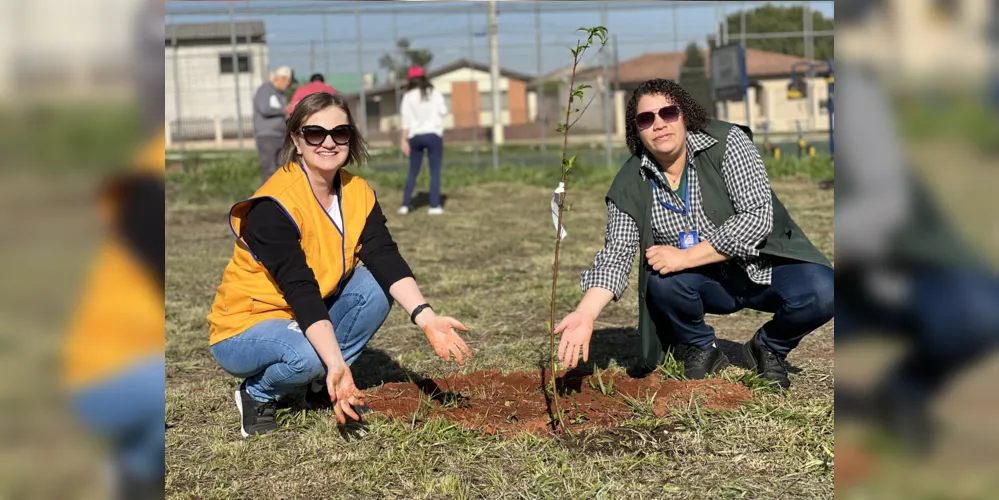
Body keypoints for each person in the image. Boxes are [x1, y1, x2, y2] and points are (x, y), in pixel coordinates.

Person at [207, 92, 473, 438]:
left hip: (300, 314)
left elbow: (385, 256)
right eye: (315, 133)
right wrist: (335, 361)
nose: (329, 142)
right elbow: (300, 288)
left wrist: (426, 316)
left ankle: (321, 382)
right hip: (244, 328)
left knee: (377, 285)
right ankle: (258, 394)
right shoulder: (273, 206)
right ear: (296, 141)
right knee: (313, 355)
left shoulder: (357, 192)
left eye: (340, 133)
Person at [553, 79, 834, 389]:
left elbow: (757, 218)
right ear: (636, 130)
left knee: (825, 291)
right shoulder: (629, 184)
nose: (659, 124)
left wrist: (686, 256)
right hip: (706, 281)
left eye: (668, 113)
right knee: (660, 280)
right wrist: (585, 313)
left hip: (763, 267)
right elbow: (616, 255)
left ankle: (769, 347)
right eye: (646, 119)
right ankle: (701, 347)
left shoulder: (728, 142)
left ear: (684, 114)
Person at [62, 2, 165, 498]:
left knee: (143, 461)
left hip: (123, 363)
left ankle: (133, 469)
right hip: (110, 372)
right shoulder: (151, 178)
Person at [398, 66, 448, 215]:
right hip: (433, 135)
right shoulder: (435, 94)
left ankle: (405, 205)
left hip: (415, 137)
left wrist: (404, 141)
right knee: (434, 172)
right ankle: (434, 206)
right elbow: (444, 112)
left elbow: (405, 122)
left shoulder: (407, 97)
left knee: (413, 171)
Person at [252, 66, 294, 183]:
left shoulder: (281, 95)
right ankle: (267, 197)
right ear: (282, 79)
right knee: (269, 169)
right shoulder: (265, 90)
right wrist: (283, 110)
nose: (288, 86)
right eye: (288, 82)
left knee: (282, 168)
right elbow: (264, 108)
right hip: (267, 135)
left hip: (280, 136)